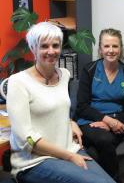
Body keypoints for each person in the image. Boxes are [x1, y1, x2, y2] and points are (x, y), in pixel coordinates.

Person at [6, 22, 115, 183]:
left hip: (68, 149)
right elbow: (26, 138)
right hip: (35, 161)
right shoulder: (18, 82)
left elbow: (55, 106)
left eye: (55, 45)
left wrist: (70, 121)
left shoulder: (64, 74)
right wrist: (69, 156)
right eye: (44, 46)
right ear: (33, 48)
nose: (51, 51)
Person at [75, 28, 124, 181]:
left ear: (120, 48)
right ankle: (114, 180)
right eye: (107, 46)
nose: (111, 50)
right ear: (100, 49)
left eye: (115, 46)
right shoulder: (89, 70)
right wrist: (106, 120)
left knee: (94, 152)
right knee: (104, 140)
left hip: (118, 124)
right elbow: (82, 106)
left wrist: (112, 122)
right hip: (89, 122)